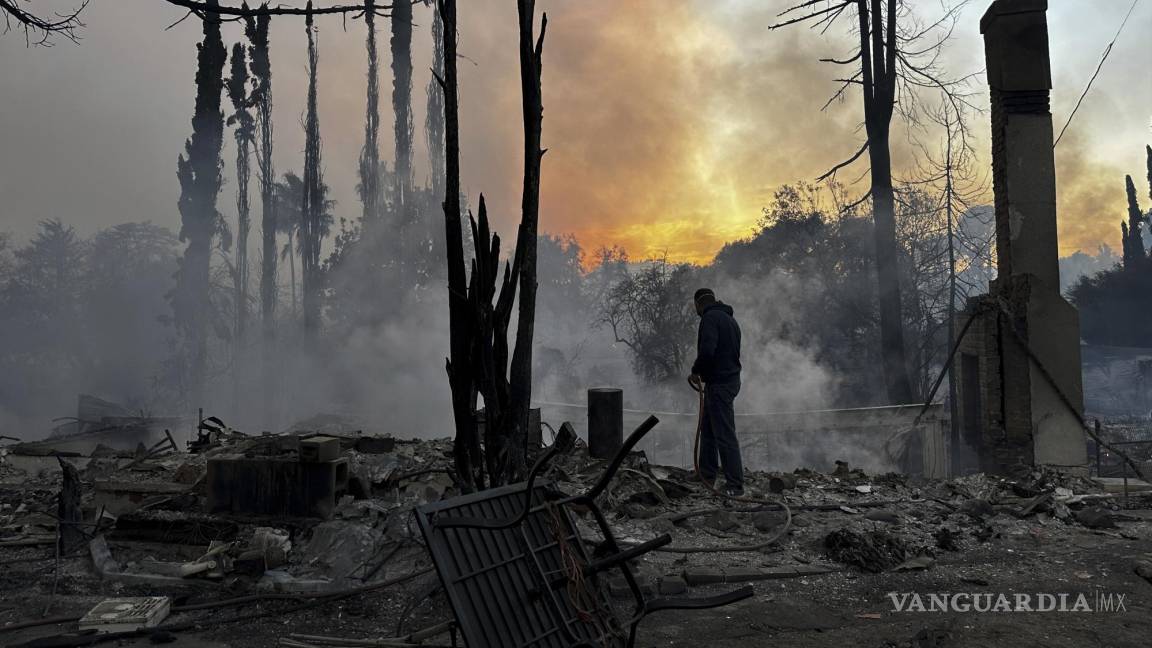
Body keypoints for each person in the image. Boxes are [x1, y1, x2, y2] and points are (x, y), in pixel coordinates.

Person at [688, 288, 744, 496]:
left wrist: (696, 372)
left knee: (724, 434)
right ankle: (706, 472)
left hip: (720, 384)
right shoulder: (730, 320)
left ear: (698, 304)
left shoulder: (710, 319)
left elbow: (707, 350)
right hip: (727, 381)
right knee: (708, 429)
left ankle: (735, 485)